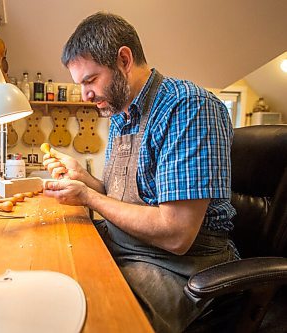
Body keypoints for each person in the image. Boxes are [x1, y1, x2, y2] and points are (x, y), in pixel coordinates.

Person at [42, 12, 238, 333]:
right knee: (51, 273)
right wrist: (84, 179)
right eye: (81, 85)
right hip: (126, 245)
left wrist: (88, 197)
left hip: (178, 267)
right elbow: (124, 199)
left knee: (94, 319)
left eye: (90, 80)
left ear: (123, 59)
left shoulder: (188, 108)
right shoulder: (121, 113)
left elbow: (176, 234)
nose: (85, 95)